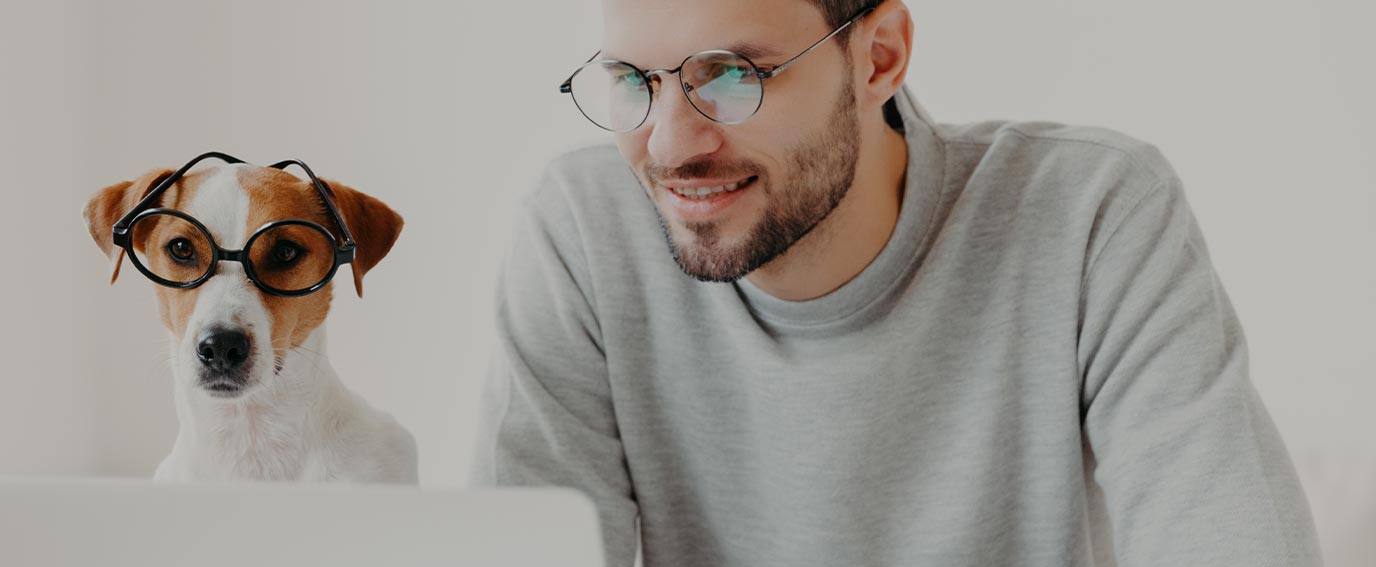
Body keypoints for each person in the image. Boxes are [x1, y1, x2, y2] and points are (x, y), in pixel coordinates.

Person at [469, 0, 1323, 565]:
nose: (668, 146)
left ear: (879, 56)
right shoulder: (583, 229)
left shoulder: (1090, 213)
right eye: (633, 84)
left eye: (729, 76)